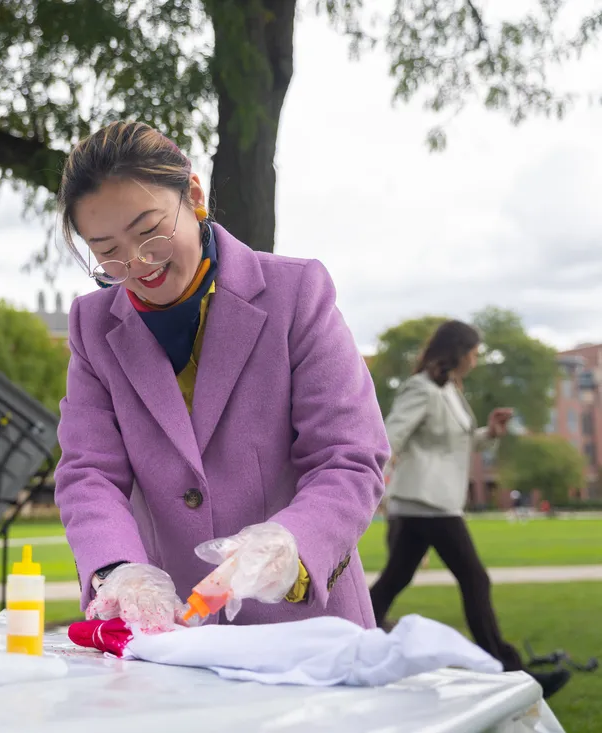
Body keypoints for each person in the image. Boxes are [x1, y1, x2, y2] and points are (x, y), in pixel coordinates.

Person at [53, 121, 391, 633]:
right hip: (173, 635)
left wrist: (289, 544)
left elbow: (349, 456)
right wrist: (117, 570)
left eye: (149, 233)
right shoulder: (91, 326)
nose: (138, 265)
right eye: (108, 253)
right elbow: (89, 473)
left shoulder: (297, 293)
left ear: (193, 194)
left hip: (307, 629)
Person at [368, 319, 569, 697]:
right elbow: (390, 437)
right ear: (457, 352)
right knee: (476, 580)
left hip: (431, 503)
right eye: (474, 352)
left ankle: (357, 634)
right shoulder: (421, 389)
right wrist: (368, 485)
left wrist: (489, 433)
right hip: (426, 503)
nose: (476, 360)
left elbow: (450, 447)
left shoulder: (450, 391)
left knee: (395, 579)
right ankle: (512, 672)